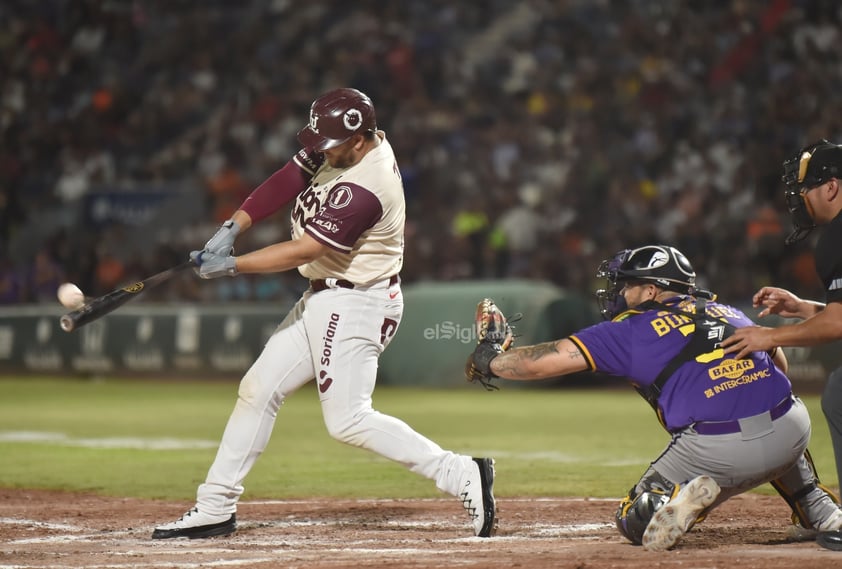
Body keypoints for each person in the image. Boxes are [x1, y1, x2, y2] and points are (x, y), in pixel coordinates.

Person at [152, 88, 496, 540]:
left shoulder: (369, 186)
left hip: (357, 302)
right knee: (257, 391)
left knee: (348, 419)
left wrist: (233, 264)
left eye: (328, 144)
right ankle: (215, 506)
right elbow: (286, 179)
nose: (319, 151)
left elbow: (307, 249)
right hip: (324, 296)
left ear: (358, 140)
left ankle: (461, 472)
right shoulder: (343, 146)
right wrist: (232, 226)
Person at [466, 244, 842, 551]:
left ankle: (679, 501)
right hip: (793, 431)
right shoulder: (725, 308)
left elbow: (541, 364)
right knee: (770, 406)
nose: (618, 293)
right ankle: (820, 509)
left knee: (632, 521)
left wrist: (490, 359)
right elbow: (780, 367)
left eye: (626, 285)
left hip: (719, 448)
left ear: (650, 291)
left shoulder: (628, 330)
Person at [721, 139, 842, 551]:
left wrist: (769, 336)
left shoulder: (837, 235)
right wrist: (805, 306)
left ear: (831, 188)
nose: (799, 198)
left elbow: (840, 322)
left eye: (805, 188)